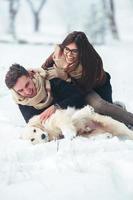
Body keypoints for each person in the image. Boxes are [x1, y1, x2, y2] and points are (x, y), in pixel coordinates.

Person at [40, 31, 133, 127]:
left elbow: (81, 91)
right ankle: (117, 108)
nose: (69, 54)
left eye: (74, 51)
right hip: (72, 88)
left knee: (100, 108)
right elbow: (43, 69)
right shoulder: (58, 54)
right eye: (67, 49)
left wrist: (64, 76)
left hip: (94, 86)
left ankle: (125, 115)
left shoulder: (92, 62)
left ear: (82, 51)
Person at [5, 64, 85, 123]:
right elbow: (33, 123)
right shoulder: (21, 100)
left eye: (27, 84)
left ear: (30, 76)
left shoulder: (52, 81)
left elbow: (79, 97)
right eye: (21, 90)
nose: (27, 91)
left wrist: (56, 107)